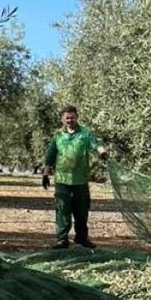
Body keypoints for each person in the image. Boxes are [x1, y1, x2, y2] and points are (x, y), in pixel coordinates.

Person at [42, 105, 109, 249]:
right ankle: (62, 239)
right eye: (67, 118)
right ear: (62, 119)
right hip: (62, 179)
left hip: (80, 179)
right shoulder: (58, 136)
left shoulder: (85, 134)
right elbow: (51, 155)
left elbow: (96, 144)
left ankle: (81, 238)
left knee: (81, 211)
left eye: (72, 117)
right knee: (62, 209)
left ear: (76, 117)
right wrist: (45, 174)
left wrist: (102, 152)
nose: (70, 120)